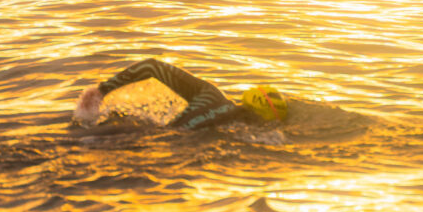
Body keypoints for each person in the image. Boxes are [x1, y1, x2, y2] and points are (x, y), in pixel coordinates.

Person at [74, 58, 288, 131]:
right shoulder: (255, 134)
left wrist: (102, 90)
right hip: (178, 148)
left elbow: (152, 67)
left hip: (148, 137)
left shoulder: (210, 95)